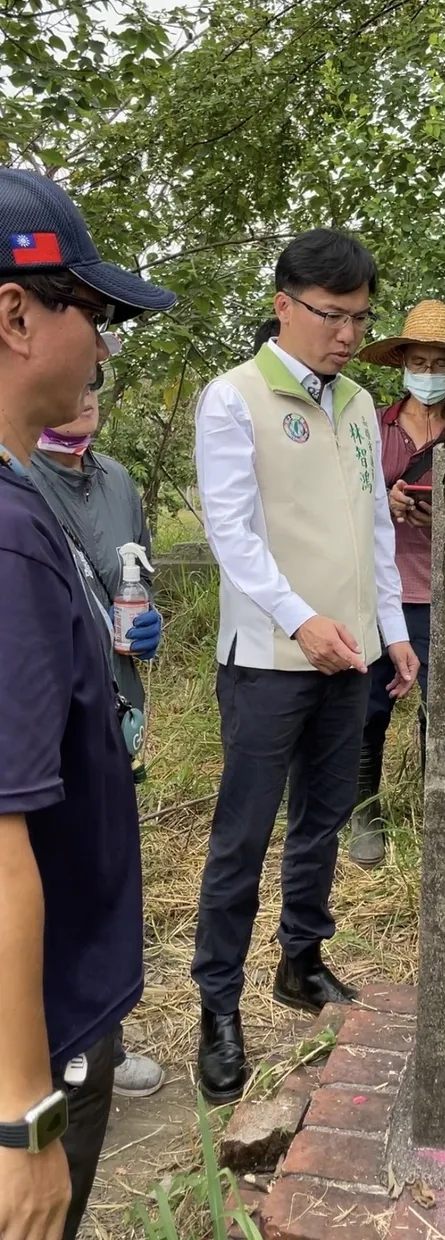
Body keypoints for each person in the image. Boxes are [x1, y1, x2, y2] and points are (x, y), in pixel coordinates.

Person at [192, 228, 419, 1104]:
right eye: (333, 316)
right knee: (242, 836)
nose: (350, 335)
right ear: (285, 304)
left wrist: (389, 626)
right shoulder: (233, 399)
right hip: (270, 657)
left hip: (351, 652)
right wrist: (301, 620)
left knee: (322, 819)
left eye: (361, 318)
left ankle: (301, 959)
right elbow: (233, 534)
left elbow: (373, 527)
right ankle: (218, 1003)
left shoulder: (360, 405)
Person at [0, 167, 174, 1240]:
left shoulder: (28, 500)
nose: (104, 345)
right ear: (16, 312)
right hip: (37, 1022)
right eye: (94, 313)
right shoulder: (8, 530)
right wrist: (24, 1116)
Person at [30, 369, 165, 1100]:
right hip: (42, 714)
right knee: (37, 882)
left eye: (96, 384)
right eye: (72, 383)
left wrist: (147, 633)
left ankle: (100, 1042)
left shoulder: (116, 480)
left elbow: (135, 573)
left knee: (103, 879)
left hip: (116, 710)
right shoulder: (17, 473)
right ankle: (43, 1059)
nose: (86, 398)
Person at [350, 301, 445, 866]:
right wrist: (386, 505)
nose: (429, 372)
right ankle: (366, 810)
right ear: (402, 363)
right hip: (383, 593)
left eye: (440, 363)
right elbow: (351, 501)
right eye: (420, 360)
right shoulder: (374, 427)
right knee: (370, 707)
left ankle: (442, 816)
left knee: (444, 709)